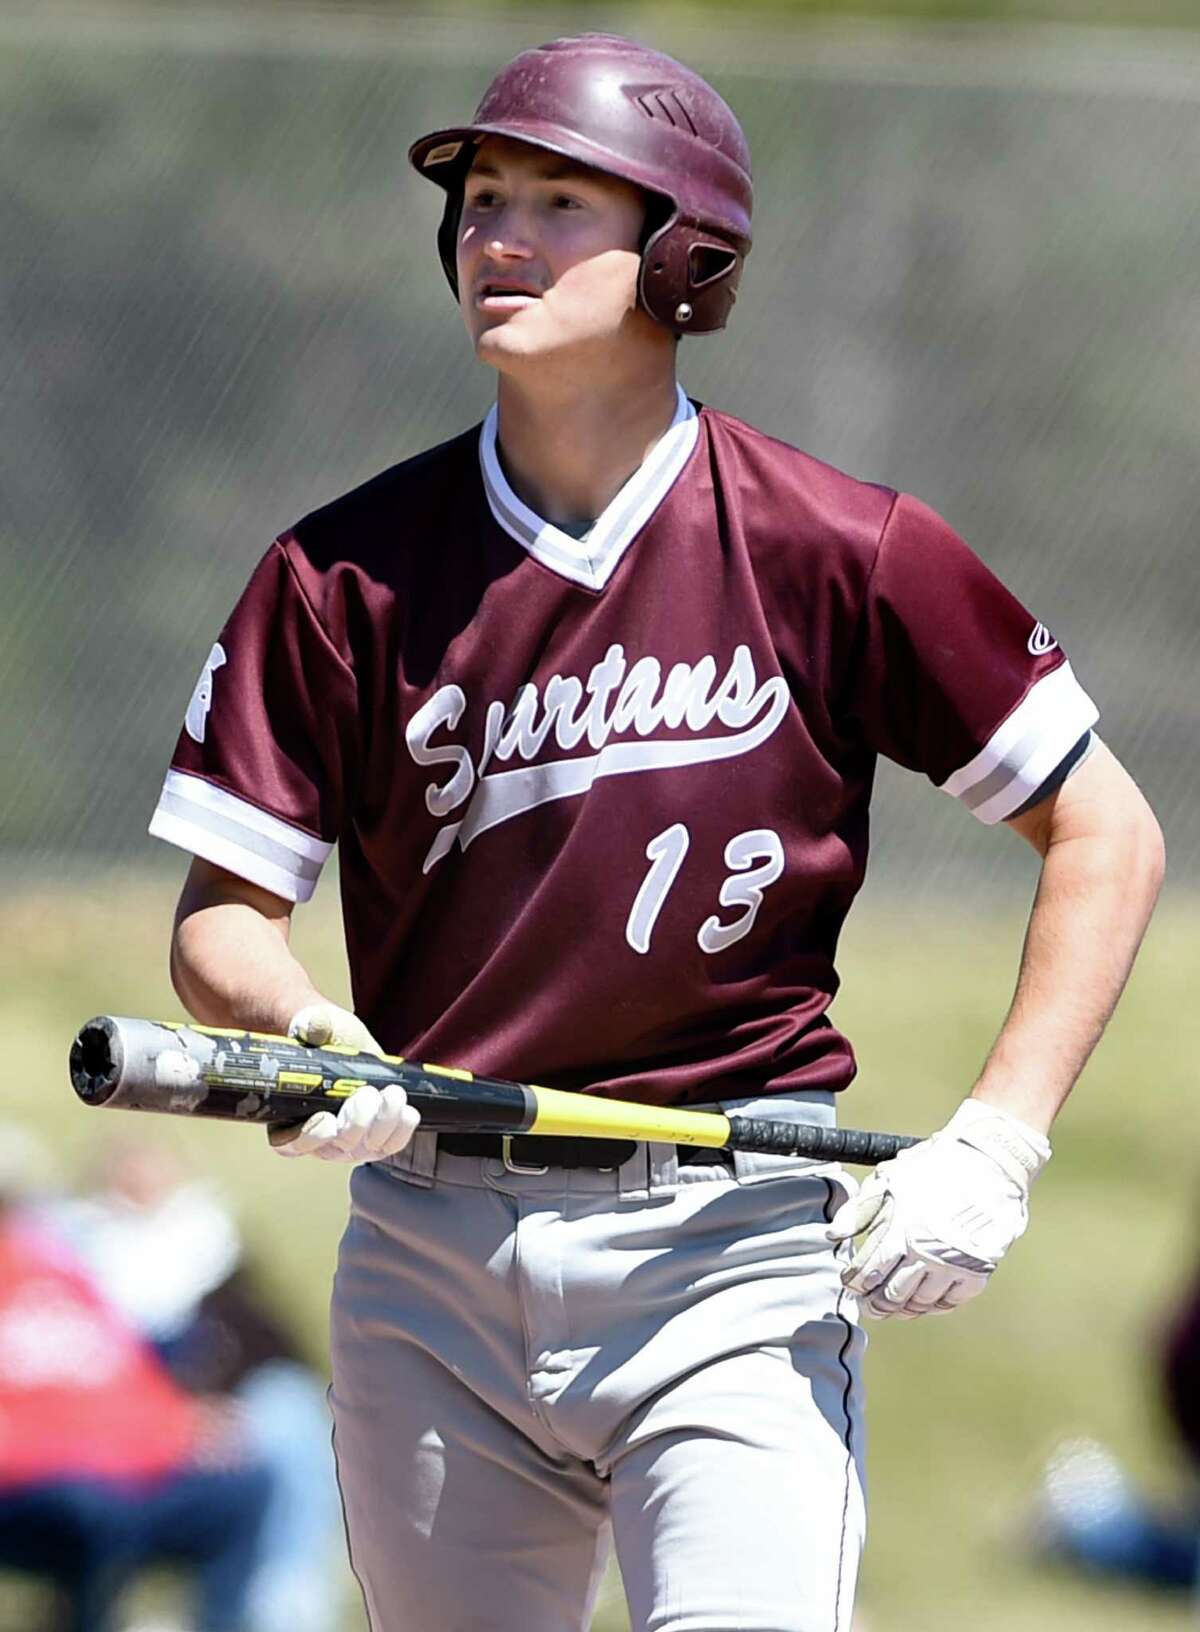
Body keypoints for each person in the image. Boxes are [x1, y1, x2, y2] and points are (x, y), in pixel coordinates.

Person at [149, 33, 1164, 1632]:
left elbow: (1103, 830)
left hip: (734, 1246)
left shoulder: (840, 548)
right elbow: (222, 916)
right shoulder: (339, 575)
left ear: (685, 257)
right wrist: (304, 1026)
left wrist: (1000, 1139)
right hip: (429, 1251)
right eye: (483, 199)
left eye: (560, 201)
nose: (500, 235)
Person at [0, 1127, 270, 1632]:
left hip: (117, 1468)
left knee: (245, 1484)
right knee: (91, 1509)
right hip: (36, 1485)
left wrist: (182, 1424)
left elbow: (126, 1373)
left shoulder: (63, 1273)